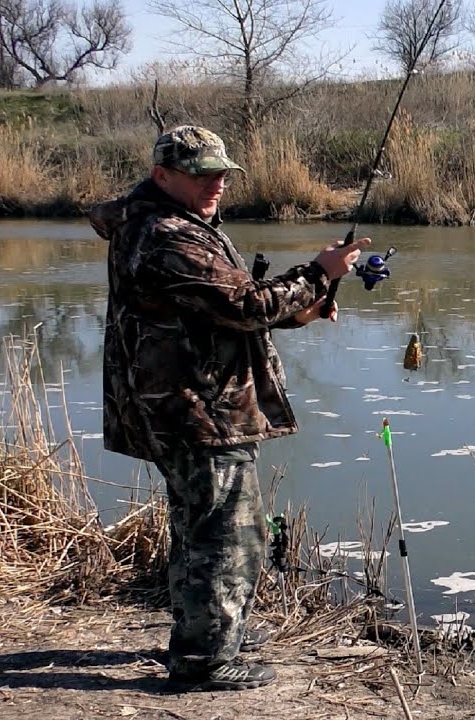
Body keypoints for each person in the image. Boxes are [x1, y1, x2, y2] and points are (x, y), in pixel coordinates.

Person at [88, 125, 369, 691]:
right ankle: (205, 661)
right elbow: (244, 302)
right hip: (195, 407)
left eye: (221, 173)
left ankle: (212, 629)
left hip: (183, 400)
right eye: (201, 174)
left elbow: (214, 306)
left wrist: (300, 312)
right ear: (161, 176)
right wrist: (320, 274)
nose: (216, 183)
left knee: (199, 526)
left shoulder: (167, 223)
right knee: (228, 534)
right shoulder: (168, 234)